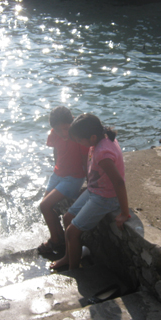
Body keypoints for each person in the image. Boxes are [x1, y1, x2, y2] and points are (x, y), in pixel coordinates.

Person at [50, 113, 130, 270]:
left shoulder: (103, 154)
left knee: (72, 233)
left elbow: (119, 182)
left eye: (80, 140)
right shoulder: (102, 136)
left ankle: (74, 271)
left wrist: (124, 213)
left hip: (105, 197)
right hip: (95, 190)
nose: (79, 143)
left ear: (93, 137)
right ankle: (68, 257)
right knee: (67, 218)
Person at [39, 106, 89, 254]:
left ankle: (56, 240)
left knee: (44, 205)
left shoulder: (78, 135)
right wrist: (57, 167)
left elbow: (86, 159)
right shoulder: (55, 134)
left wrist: (90, 182)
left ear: (72, 121)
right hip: (58, 174)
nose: (63, 133)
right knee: (45, 206)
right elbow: (56, 150)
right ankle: (59, 236)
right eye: (58, 130)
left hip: (73, 177)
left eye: (66, 129)